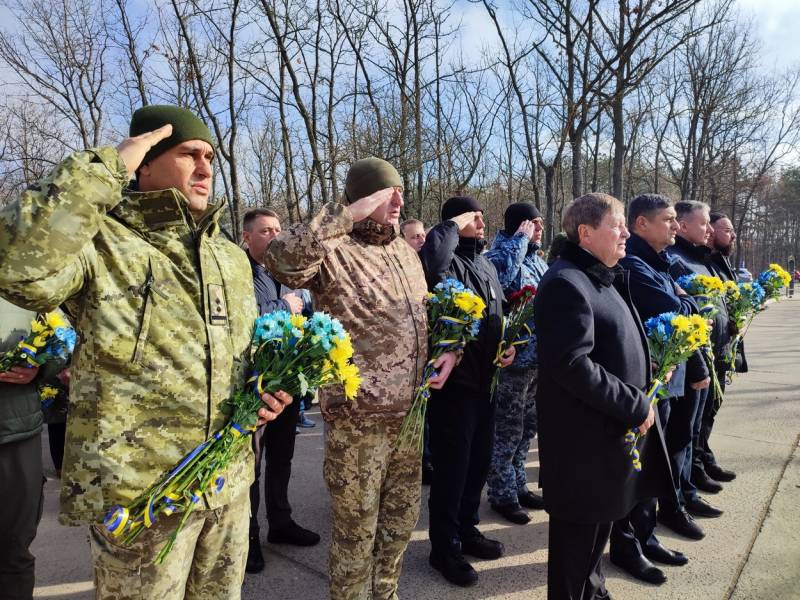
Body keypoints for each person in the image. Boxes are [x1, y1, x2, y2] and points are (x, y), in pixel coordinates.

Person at [0, 105, 290, 600]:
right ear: (145, 165)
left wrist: (267, 391)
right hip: (141, 496)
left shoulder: (229, 256)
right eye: (188, 154)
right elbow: (15, 263)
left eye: (210, 157)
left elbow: (243, 354)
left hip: (228, 485)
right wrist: (107, 166)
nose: (205, 168)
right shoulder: (100, 241)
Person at [265, 157, 458, 600]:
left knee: (398, 527)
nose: (399, 201)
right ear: (363, 197)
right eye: (387, 192)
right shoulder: (333, 250)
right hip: (359, 423)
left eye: (400, 191)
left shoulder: (404, 253)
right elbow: (280, 260)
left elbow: (421, 319)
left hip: (409, 419)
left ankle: (386, 594)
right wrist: (343, 214)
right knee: (355, 536)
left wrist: (450, 351)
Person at [534, 192, 672, 600]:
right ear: (585, 232)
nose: (626, 232)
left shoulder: (600, 275)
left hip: (606, 439)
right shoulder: (565, 282)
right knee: (575, 554)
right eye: (617, 225)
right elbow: (572, 365)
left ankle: (594, 593)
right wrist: (635, 403)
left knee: (596, 543)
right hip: (582, 448)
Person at [419, 196, 515, 587]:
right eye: (471, 215)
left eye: (479, 214)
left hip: (485, 384)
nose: (480, 219)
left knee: (477, 465)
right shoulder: (447, 258)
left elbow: (499, 311)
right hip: (454, 389)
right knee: (452, 471)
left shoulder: (486, 263)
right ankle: (443, 548)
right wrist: (451, 226)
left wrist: (509, 345)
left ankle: (468, 529)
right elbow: (431, 265)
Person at [611, 194, 707, 584]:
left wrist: (689, 302)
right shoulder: (633, 264)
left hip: (666, 380)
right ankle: (626, 546)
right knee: (637, 469)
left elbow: (690, 307)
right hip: (646, 385)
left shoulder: (658, 262)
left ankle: (645, 537)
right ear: (641, 225)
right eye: (668, 220)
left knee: (654, 468)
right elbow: (672, 311)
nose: (676, 226)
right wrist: (689, 303)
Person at [241, 208, 320, 575]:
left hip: (287, 382)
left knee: (282, 457)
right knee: (251, 466)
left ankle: (281, 522)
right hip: (255, 386)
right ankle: (249, 537)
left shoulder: (288, 273)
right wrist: (283, 306)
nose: (274, 236)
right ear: (247, 237)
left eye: (277, 229)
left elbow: (305, 316)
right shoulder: (239, 272)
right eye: (265, 230)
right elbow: (248, 319)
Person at [485, 202, 548, 525]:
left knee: (527, 429)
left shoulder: (538, 261)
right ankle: (502, 493)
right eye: (533, 224)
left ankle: (518, 484)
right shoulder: (499, 254)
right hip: (512, 362)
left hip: (537, 362)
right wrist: (519, 241)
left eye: (539, 224)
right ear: (519, 225)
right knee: (506, 432)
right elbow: (501, 277)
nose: (539, 228)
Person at [666, 201, 730, 506]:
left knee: (696, 427)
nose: (709, 230)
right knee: (683, 432)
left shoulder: (700, 257)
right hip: (691, 360)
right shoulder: (675, 259)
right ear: (683, 224)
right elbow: (682, 310)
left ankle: (691, 480)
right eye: (703, 223)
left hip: (710, 353)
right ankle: (680, 494)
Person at [0, 297, 44, 599]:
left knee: (13, 550)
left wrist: (42, 367)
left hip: (16, 430)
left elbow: (66, 336)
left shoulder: (23, 275)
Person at [703, 212, 743, 481]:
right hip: (707, 353)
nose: (732, 235)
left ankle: (704, 457)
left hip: (724, 348)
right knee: (702, 415)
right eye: (727, 230)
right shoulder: (704, 262)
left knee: (712, 410)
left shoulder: (722, 261)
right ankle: (699, 464)